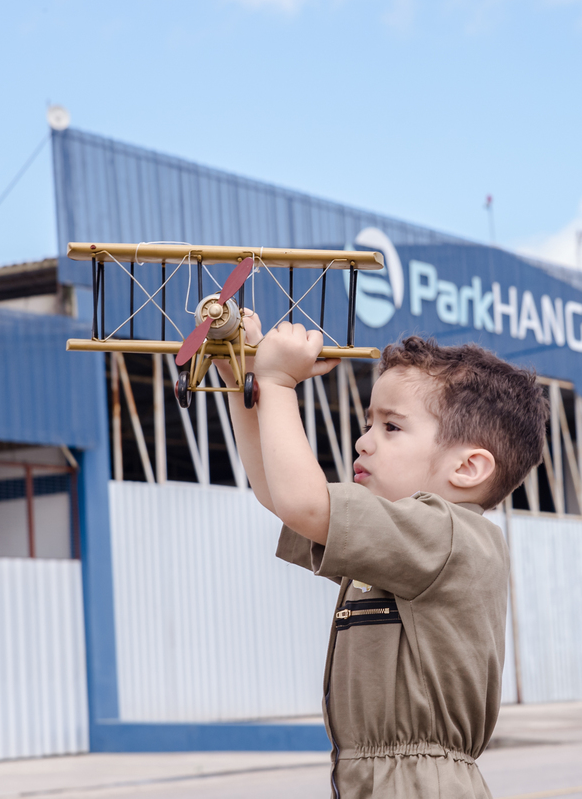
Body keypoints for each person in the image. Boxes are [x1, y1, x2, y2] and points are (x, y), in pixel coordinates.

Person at [216, 312, 548, 799]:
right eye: (369, 422)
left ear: (468, 467)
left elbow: (303, 502)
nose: (362, 441)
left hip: (416, 785)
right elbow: (280, 496)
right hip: (376, 778)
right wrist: (246, 385)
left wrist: (278, 381)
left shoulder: (446, 535)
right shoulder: (407, 540)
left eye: (390, 427)